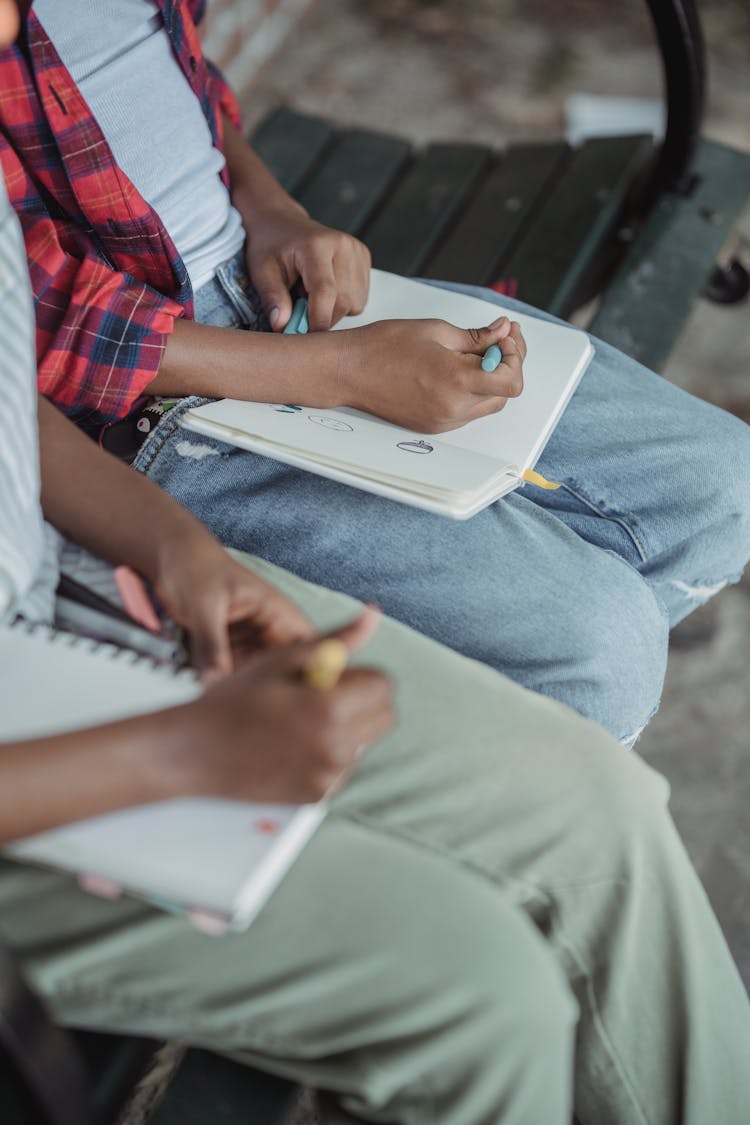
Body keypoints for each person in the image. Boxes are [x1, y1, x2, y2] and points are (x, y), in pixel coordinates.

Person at [1, 0, 749, 746]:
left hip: (274, 285)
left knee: (725, 486)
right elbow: (45, 322)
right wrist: (340, 370)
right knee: (601, 653)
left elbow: (170, 67)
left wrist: (270, 206)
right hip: (144, 408)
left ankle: (538, 671)